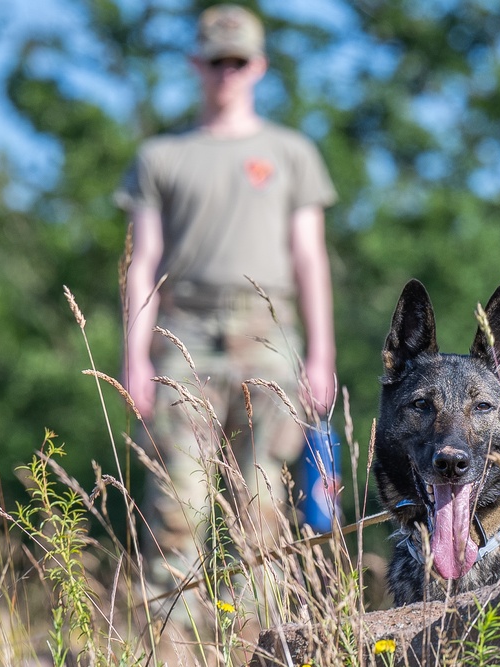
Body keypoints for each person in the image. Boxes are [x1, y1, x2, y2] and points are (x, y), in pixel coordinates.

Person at [116, 3, 338, 634]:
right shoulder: (161, 156)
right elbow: (142, 261)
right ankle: (174, 647)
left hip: (270, 336)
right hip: (182, 334)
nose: (226, 73)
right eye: (215, 62)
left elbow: (309, 258)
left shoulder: (290, 152)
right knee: (176, 510)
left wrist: (320, 355)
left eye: (238, 62)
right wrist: (135, 355)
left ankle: (253, 644)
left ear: (258, 66)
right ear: (196, 65)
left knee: (261, 510)